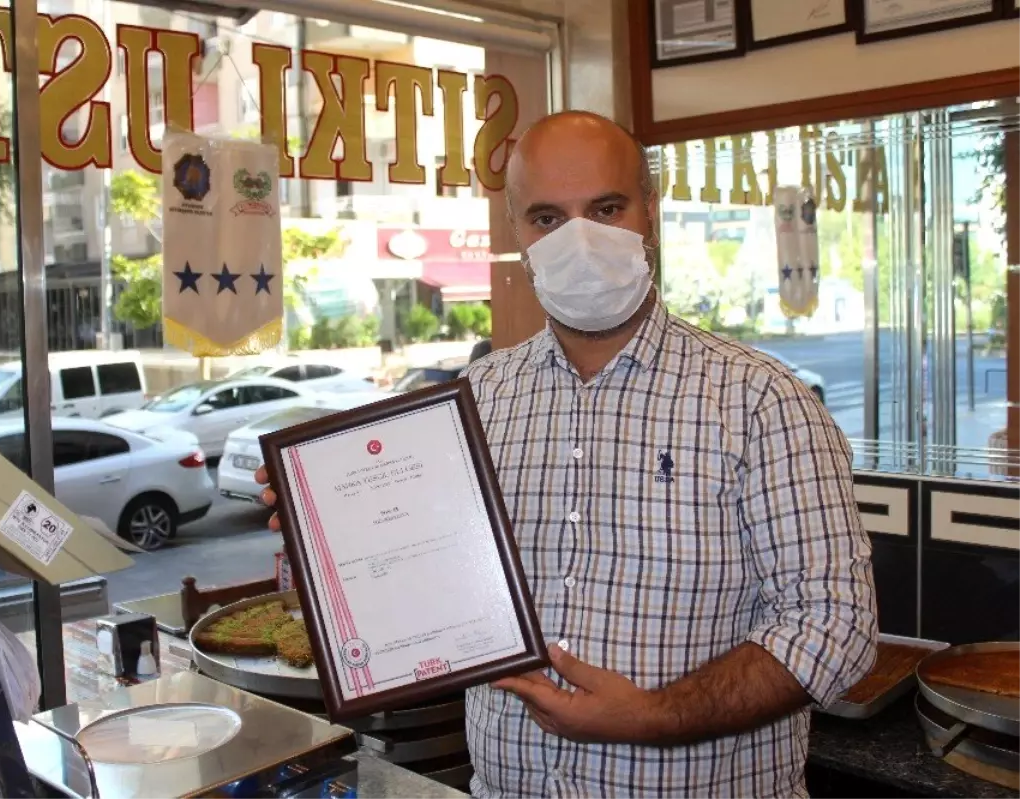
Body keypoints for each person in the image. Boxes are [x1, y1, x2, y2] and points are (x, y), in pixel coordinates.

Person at [256, 111, 877, 797]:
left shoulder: (762, 402)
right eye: (547, 218)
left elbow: (834, 624)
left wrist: (651, 716)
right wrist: (332, 533)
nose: (579, 240)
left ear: (651, 214)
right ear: (517, 233)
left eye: (605, 208)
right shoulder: (476, 398)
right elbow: (427, 576)